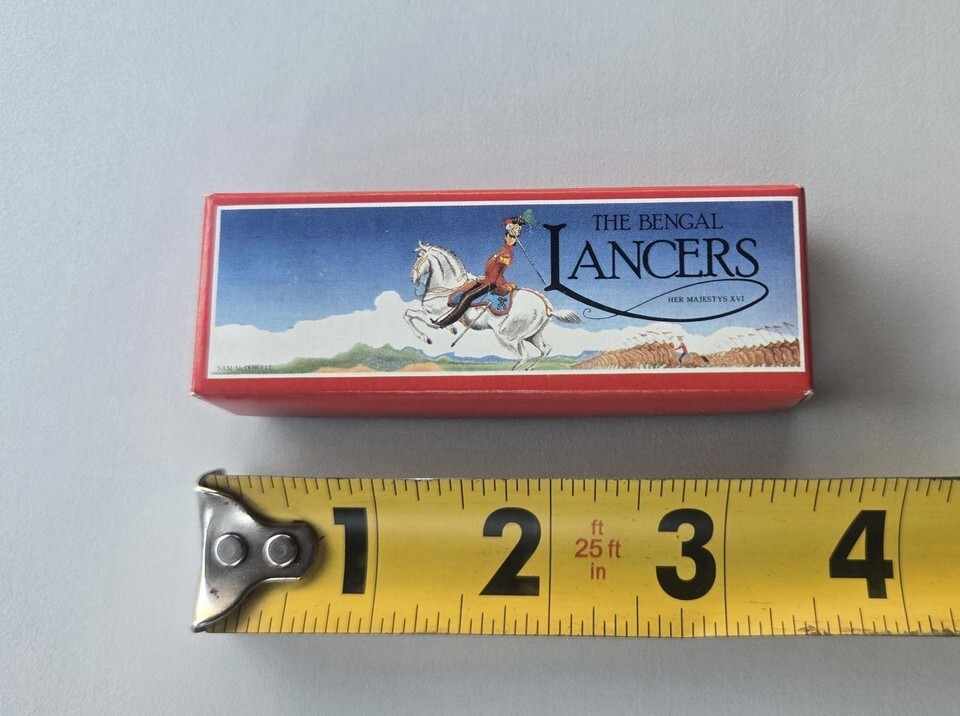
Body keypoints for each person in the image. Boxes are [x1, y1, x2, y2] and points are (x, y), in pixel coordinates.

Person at [432, 216, 523, 328]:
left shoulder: (508, 253)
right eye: (509, 236)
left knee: (468, 297)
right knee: (462, 292)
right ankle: (445, 318)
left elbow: (501, 266)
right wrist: (515, 222)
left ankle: (445, 323)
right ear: (505, 237)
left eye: (513, 238)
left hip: (493, 283)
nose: (510, 239)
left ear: (515, 240)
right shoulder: (502, 250)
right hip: (486, 280)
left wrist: (515, 230)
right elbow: (505, 223)